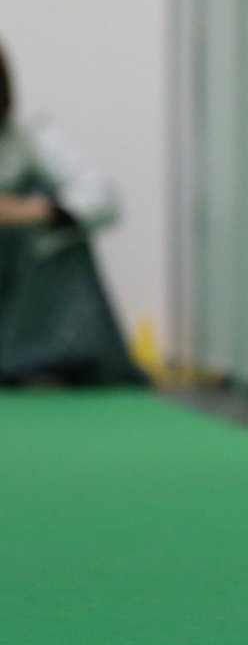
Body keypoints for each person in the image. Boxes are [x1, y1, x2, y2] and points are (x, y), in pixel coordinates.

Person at [0, 40, 146, 386]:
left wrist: (27, 210)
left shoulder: (29, 139)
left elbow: (104, 197)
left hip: (22, 286)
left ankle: (46, 360)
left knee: (49, 200)